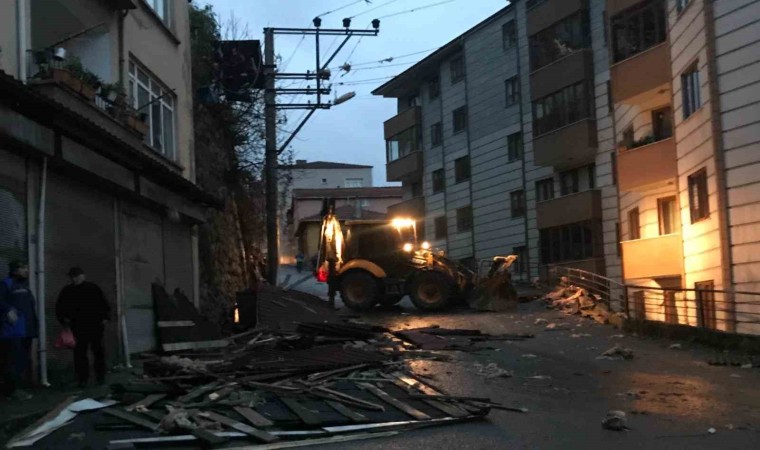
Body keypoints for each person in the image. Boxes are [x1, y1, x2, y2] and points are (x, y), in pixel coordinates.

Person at [55, 267, 110, 386]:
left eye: (76, 276)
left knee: (96, 351)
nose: (74, 279)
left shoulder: (90, 288)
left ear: (82, 276)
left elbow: (103, 304)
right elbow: (60, 307)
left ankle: (98, 377)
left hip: (93, 325)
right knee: (81, 353)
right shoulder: (69, 290)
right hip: (80, 326)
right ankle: (84, 378)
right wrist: (64, 320)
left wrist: (105, 318)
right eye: (72, 277)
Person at [0, 260, 38, 400]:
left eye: (27, 268)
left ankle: (19, 388)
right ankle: (11, 390)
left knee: (22, 360)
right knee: (12, 361)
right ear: (15, 270)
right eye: (23, 268)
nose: (26, 271)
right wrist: (8, 310)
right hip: (13, 332)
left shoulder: (24, 286)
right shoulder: (6, 284)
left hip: (27, 330)